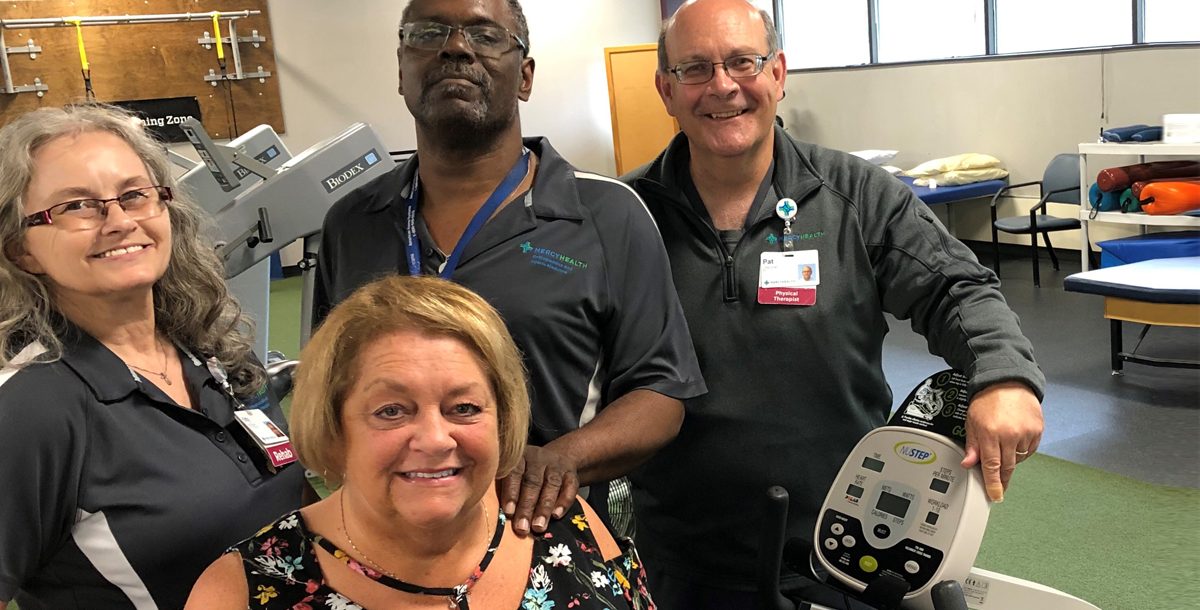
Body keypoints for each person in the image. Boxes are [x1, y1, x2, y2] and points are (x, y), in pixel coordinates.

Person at [623, 0, 1046, 606]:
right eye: (694, 69)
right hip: (680, 559)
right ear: (666, 89)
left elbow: (955, 286)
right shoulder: (625, 216)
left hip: (845, 550)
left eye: (744, 61)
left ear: (778, 73)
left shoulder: (857, 197)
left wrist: (1003, 377)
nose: (722, 86)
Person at [313, 0, 704, 537]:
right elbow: (329, 389)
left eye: (485, 36)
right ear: (401, 70)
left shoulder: (606, 215)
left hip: (537, 536)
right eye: (428, 34)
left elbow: (662, 392)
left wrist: (563, 458)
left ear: (524, 77)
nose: (455, 48)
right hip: (385, 536)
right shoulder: (352, 222)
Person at [186, 275, 656, 609]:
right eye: (391, 411)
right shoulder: (242, 589)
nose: (434, 440)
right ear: (334, 427)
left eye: (464, 408)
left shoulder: (560, 522)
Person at [0, 104, 305, 610]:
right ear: (20, 250)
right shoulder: (30, 408)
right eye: (77, 206)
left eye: (134, 195)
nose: (118, 221)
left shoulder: (214, 345)